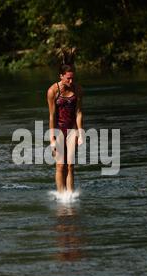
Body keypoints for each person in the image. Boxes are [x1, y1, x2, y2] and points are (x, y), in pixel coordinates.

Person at [47, 48, 84, 193]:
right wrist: (52, 139)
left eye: (73, 78)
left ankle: (70, 196)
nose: (71, 80)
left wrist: (80, 133)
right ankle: (61, 196)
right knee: (60, 166)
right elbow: (52, 116)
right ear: (61, 76)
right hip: (58, 129)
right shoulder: (52, 91)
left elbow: (79, 112)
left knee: (70, 165)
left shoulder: (78, 90)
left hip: (72, 130)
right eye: (68, 78)